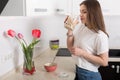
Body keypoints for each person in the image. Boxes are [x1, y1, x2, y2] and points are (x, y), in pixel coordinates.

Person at [64, 0, 109, 80]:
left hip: (89, 75)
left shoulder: (100, 35)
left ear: (93, 13)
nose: (80, 15)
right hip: (78, 69)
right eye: (80, 11)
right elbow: (70, 47)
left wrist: (83, 53)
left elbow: (104, 62)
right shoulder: (82, 27)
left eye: (84, 12)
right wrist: (70, 29)